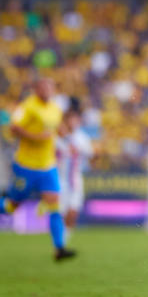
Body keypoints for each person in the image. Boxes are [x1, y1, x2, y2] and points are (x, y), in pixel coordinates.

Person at [0, 78, 77, 261]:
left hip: (47, 166)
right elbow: (13, 128)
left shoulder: (55, 108)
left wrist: (68, 139)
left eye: (50, 87)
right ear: (36, 89)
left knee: (54, 204)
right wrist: (35, 137)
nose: (48, 90)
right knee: (12, 204)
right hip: (26, 166)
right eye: (44, 87)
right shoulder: (27, 107)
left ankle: (59, 248)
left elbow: (57, 128)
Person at [57, 102, 93, 239]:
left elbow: (90, 156)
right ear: (66, 121)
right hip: (59, 179)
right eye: (71, 119)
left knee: (73, 211)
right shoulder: (57, 137)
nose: (74, 122)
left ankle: (64, 239)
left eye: (76, 119)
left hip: (75, 180)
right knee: (60, 212)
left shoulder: (82, 138)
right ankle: (58, 240)